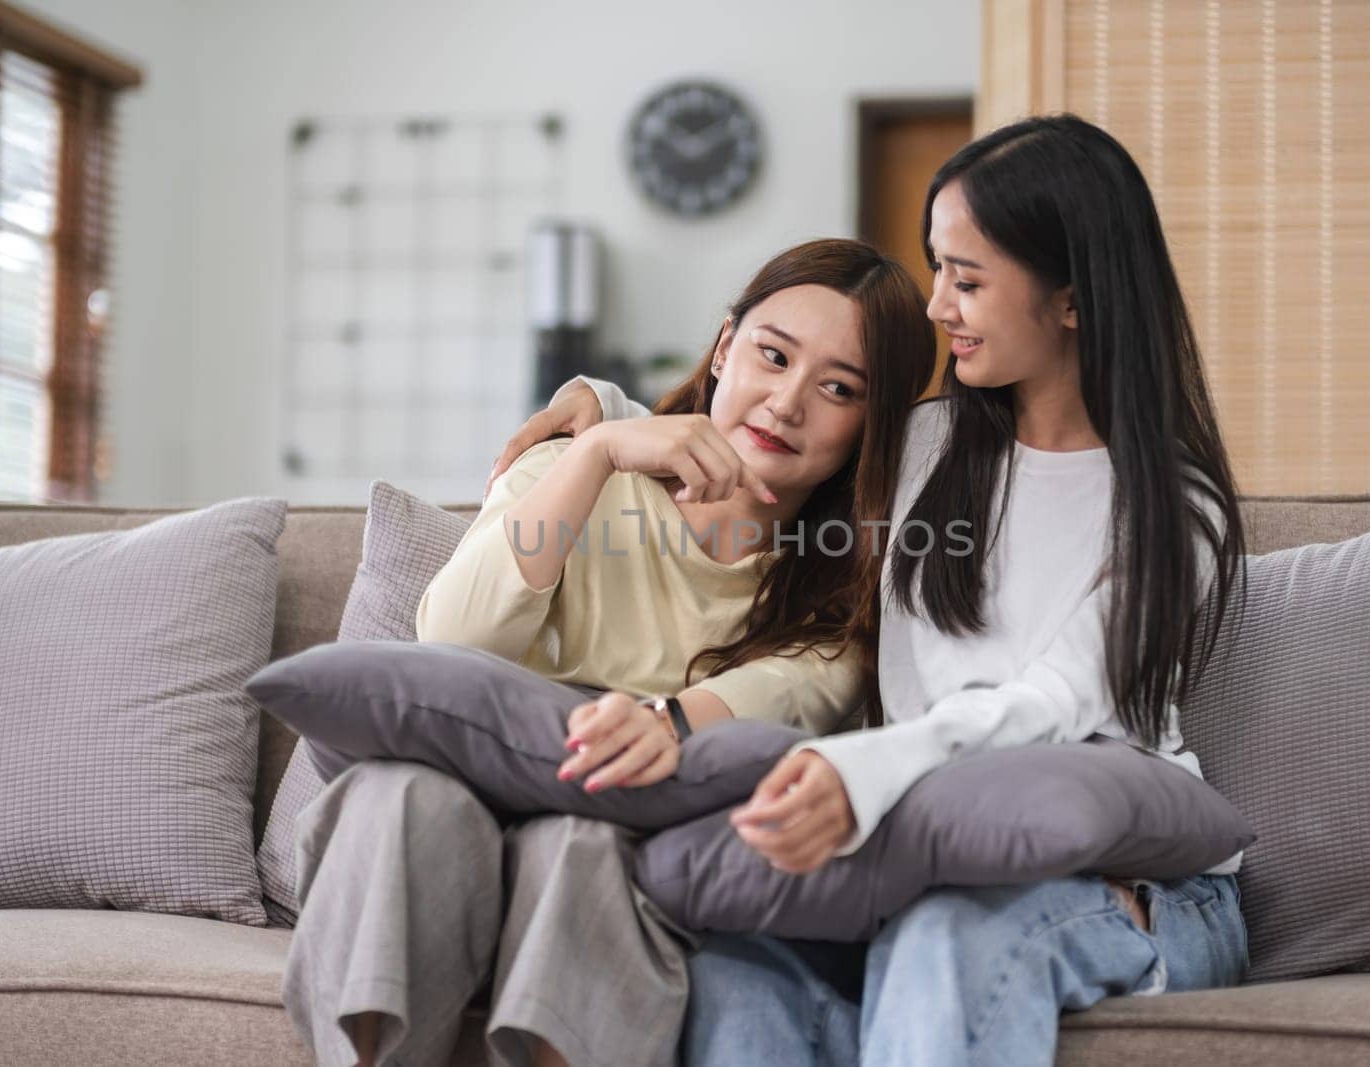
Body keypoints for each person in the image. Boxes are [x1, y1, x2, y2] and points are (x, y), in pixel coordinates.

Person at [511, 114, 1250, 1066]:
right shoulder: (921, 452)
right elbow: (771, 436)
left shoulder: (1171, 509)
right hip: (918, 859)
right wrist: (605, 411)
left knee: (947, 937)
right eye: (936, 267)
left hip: (1129, 883)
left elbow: (1051, 706)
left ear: (1071, 299)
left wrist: (863, 773)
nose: (938, 305)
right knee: (736, 970)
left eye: (968, 279)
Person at [279, 237, 934, 1067]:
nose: (786, 402)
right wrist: (598, 449)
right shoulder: (570, 471)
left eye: (838, 388)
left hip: (608, 857)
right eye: (772, 356)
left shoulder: (841, 607)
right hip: (440, 829)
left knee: (581, 841)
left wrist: (663, 722)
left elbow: (765, 709)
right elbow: (450, 645)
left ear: (871, 426)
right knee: (400, 795)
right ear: (727, 346)